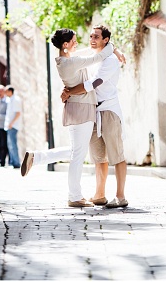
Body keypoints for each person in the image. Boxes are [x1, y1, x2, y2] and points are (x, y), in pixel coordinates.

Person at [20, 29, 123, 208]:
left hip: (77, 108)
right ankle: (74, 196)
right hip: (82, 108)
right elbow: (97, 58)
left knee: (77, 151)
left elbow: (91, 52)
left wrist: (113, 49)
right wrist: (112, 47)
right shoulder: (72, 62)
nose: (78, 43)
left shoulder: (66, 60)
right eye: (74, 41)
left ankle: (36, 158)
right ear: (65, 45)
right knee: (78, 155)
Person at [61, 25, 128, 208]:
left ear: (105, 39)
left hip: (109, 111)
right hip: (92, 111)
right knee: (99, 157)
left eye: (96, 37)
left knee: (117, 155)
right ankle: (99, 195)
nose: (92, 39)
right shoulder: (91, 56)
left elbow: (94, 83)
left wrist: (70, 93)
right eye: (91, 36)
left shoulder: (111, 61)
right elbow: (70, 58)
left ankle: (120, 196)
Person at [4, 85, 22, 168]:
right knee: (10, 144)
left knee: (13, 144)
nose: (5, 93)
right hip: (9, 126)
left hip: (13, 126)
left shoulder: (15, 100)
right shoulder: (10, 100)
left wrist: (11, 123)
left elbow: (18, 113)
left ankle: (16, 162)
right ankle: (12, 162)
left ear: (10, 91)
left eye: (6, 91)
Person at [0, 87, 9, 167]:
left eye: (0, 91)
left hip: (5, 125)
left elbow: (8, 115)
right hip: (0, 126)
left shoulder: (7, 102)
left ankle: (3, 161)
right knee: (0, 143)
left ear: (3, 92)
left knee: (4, 144)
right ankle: (0, 160)